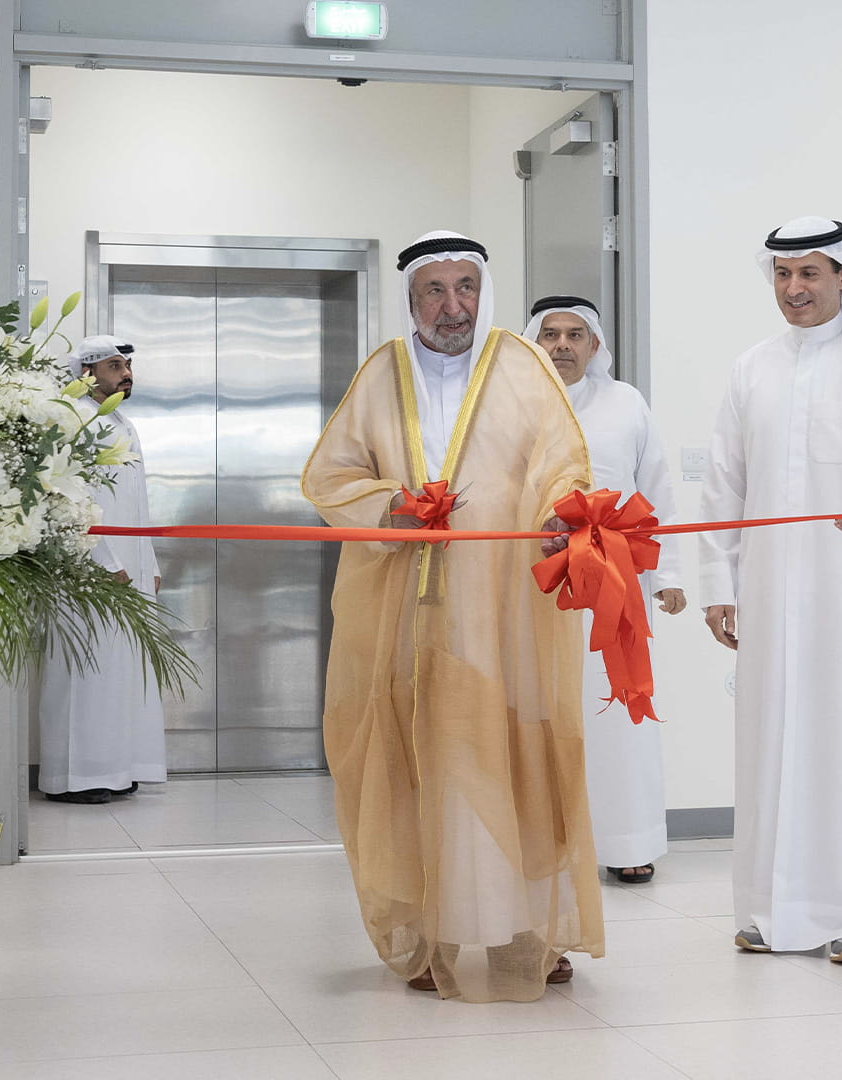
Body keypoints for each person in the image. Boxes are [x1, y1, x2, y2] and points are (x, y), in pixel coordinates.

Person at [302, 231, 601, 1002]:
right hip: (407, 610)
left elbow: (562, 463)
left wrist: (561, 514)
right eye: (434, 290)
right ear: (409, 300)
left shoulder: (522, 366)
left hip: (506, 612)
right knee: (418, 760)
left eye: (465, 287)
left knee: (514, 756)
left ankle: (531, 934)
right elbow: (330, 474)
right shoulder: (379, 376)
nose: (452, 306)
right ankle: (428, 937)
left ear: (483, 291)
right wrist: (388, 508)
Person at [698, 218, 842, 964]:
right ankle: (769, 908)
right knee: (769, 743)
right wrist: (717, 582)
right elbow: (723, 481)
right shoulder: (752, 367)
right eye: (782, 275)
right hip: (766, 589)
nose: (793, 289)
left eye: (810, 274)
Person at [525, 296, 683, 885]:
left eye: (575, 335)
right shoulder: (515, 404)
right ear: (533, 343)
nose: (562, 345)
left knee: (617, 712)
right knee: (538, 706)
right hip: (535, 581)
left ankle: (628, 842)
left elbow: (657, 489)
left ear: (595, 347)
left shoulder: (627, 403)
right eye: (550, 335)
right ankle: (544, 847)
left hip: (617, 579)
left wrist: (668, 577)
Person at [38, 335, 166, 804]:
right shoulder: (71, 419)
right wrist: (105, 562)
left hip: (130, 567)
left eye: (127, 365)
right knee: (85, 672)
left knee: (122, 672)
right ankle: (77, 777)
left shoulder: (121, 423)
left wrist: (146, 561)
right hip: (87, 568)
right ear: (88, 372)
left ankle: (118, 768)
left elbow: (138, 505)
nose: (126, 374)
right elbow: (70, 501)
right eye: (116, 366)